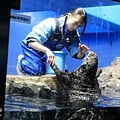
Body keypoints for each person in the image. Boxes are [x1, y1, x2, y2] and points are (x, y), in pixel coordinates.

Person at [16, 7, 89, 76]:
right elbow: (31, 42)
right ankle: (22, 63)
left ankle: (40, 63)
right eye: (75, 23)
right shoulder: (51, 24)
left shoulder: (73, 34)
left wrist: (81, 52)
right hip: (32, 47)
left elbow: (76, 55)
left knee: (62, 72)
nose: (76, 27)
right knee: (37, 70)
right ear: (69, 15)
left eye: (79, 26)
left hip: (48, 53)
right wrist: (47, 51)